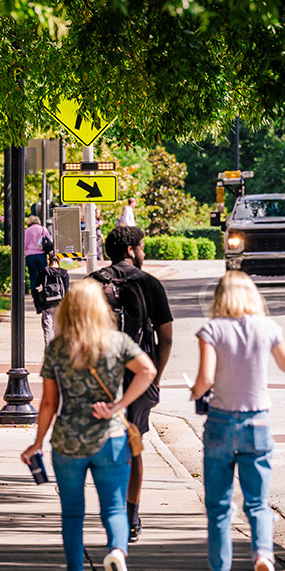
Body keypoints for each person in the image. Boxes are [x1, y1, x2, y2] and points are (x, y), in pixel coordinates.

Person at [21, 278, 156, 571]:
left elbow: (49, 403)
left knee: (72, 513)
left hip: (68, 441)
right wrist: (118, 406)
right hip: (110, 438)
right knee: (113, 507)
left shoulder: (57, 347)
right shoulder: (117, 342)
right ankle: (118, 555)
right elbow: (147, 370)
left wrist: (37, 442)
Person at [190, 270, 285, 571]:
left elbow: (205, 379)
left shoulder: (212, 329)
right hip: (258, 423)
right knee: (258, 503)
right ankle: (263, 555)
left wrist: (195, 391)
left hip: (221, 423)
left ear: (220, 296)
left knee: (219, 507)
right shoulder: (267, 327)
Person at [96, 225, 173, 544]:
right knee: (134, 443)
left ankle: (110, 508)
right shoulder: (150, 284)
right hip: (139, 380)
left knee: (100, 444)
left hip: (98, 378)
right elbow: (165, 337)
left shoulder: (92, 283)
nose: (143, 252)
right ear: (130, 250)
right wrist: (155, 373)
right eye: (141, 247)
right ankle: (132, 513)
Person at [32, 254, 70, 345]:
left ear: (48, 259)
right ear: (59, 260)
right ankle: (57, 353)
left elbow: (37, 289)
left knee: (48, 331)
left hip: (47, 304)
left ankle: (48, 353)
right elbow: (67, 291)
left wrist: (38, 307)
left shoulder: (43, 273)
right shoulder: (64, 273)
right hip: (60, 305)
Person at [24, 215, 52, 296]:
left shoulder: (27, 231)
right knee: (43, 275)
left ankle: (34, 295)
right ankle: (43, 293)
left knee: (33, 276)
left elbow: (24, 244)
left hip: (30, 255)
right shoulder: (43, 229)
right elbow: (49, 239)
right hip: (41, 254)